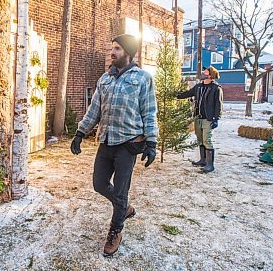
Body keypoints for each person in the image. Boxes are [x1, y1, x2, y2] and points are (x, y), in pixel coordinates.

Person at [70, 34, 158, 257]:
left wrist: (152, 142)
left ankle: (116, 229)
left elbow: (149, 112)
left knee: (120, 191)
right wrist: (80, 132)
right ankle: (124, 208)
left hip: (129, 144)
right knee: (99, 184)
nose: (112, 52)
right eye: (112, 48)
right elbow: (94, 110)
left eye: (117, 49)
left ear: (128, 53)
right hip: (106, 140)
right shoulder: (105, 80)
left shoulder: (142, 78)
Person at [177, 66, 223, 173]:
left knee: (207, 140)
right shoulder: (198, 87)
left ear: (210, 75)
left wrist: (216, 118)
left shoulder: (216, 88)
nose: (202, 73)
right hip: (198, 117)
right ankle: (203, 160)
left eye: (205, 72)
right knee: (200, 139)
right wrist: (176, 95)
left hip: (208, 118)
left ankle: (210, 165)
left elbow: (218, 105)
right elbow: (187, 93)